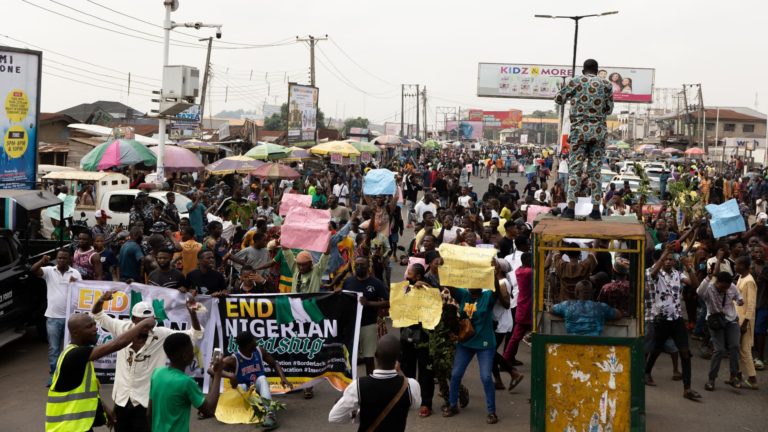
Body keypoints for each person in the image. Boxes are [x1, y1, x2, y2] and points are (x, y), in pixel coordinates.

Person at [92, 292, 204, 432]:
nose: (148, 327)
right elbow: (98, 314)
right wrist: (102, 299)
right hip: (122, 400)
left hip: (146, 403)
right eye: (143, 323)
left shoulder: (162, 334)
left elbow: (195, 334)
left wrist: (193, 314)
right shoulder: (122, 328)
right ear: (134, 319)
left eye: (150, 322)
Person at [45, 313, 155, 432]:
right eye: (89, 327)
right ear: (75, 332)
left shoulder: (78, 355)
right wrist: (142, 324)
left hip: (78, 426)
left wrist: (104, 409)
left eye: (94, 324)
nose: (95, 328)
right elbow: (116, 344)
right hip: (66, 428)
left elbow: (86, 392)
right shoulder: (75, 355)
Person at [442, 260, 510, 425]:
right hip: (465, 343)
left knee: (486, 377)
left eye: (478, 281)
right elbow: (448, 284)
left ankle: (492, 412)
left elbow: (495, 289)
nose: (474, 285)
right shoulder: (464, 295)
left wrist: (493, 272)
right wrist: (446, 265)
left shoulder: (487, 297)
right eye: (471, 281)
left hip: (485, 344)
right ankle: (452, 405)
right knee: (456, 374)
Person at [555, 58, 614, 221]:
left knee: (575, 169)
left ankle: (571, 208)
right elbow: (609, 110)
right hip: (598, 132)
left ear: (583, 71)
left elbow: (558, 99)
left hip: (579, 132)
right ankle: (596, 210)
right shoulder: (606, 84)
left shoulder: (576, 81)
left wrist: (565, 92)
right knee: (595, 170)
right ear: (597, 70)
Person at [328, 334, 421, 432]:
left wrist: (355, 414)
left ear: (376, 355)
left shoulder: (358, 385)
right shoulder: (411, 385)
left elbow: (334, 417)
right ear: (398, 357)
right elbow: (415, 405)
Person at [645, 243, 701, 401]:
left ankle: (687, 388)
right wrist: (665, 254)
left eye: (671, 260)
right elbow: (653, 273)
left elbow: (695, 285)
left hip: (676, 319)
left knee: (685, 352)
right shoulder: (657, 274)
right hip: (661, 319)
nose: (669, 262)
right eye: (666, 260)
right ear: (662, 261)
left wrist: (688, 266)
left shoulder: (678, 274)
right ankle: (647, 372)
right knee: (656, 348)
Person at [149, 333, 224, 432]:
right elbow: (209, 410)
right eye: (192, 351)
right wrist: (218, 373)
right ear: (185, 356)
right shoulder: (186, 382)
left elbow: (149, 413)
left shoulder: (157, 373)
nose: (194, 354)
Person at [218, 332, 292, 430]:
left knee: (262, 379)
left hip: (256, 393)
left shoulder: (259, 351)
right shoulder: (233, 359)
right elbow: (211, 371)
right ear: (248, 345)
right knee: (242, 386)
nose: (256, 342)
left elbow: (275, 364)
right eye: (253, 340)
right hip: (243, 396)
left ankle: (270, 415)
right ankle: (247, 410)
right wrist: (230, 375)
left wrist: (283, 378)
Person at [31, 250, 83, 386]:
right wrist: (42, 261)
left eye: (64, 258)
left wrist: (76, 283)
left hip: (70, 318)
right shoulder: (49, 271)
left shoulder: (75, 273)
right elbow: (33, 270)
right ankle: (54, 375)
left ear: (69, 260)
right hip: (53, 317)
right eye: (59, 258)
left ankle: (68, 374)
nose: (61, 260)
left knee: (69, 348)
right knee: (54, 349)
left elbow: (83, 291)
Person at [340, 257, 390, 376]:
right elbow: (343, 299)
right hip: (351, 326)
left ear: (368, 266)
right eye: (357, 265)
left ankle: (370, 383)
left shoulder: (376, 283)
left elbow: (388, 302)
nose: (359, 267)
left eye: (362, 265)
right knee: (351, 359)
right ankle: (351, 386)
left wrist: (369, 303)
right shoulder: (348, 282)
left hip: (368, 325)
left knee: (369, 358)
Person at [696, 272, 744, 391]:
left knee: (735, 346)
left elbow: (738, 296)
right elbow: (699, 291)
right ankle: (711, 379)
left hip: (731, 320)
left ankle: (733, 376)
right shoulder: (709, 289)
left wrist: (740, 301)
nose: (724, 289)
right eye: (722, 287)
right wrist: (707, 277)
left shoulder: (731, 287)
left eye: (726, 287)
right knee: (719, 350)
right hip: (715, 321)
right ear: (717, 283)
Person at [551, 280, 621, 336]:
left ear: (576, 293)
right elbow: (618, 314)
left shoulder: (567, 305)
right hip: (594, 346)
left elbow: (552, 309)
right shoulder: (601, 307)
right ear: (592, 293)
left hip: (572, 345)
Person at [734, 255, 759, 389]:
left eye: (737, 264)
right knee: (738, 349)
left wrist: (745, 323)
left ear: (743, 266)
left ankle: (752, 379)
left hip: (745, 321)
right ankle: (737, 375)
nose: (735, 266)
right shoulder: (740, 277)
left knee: (745, 350)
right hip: (738, 318)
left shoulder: (749, 281)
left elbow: (751, 305)